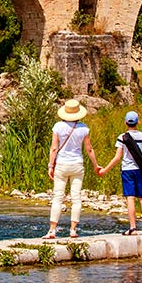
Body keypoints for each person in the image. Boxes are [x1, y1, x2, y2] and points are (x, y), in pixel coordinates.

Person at [42, 99, 100, 239]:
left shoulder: (58, 127)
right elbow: (89, 149)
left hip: (61, 164)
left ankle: (52, 230)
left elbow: (54, 148)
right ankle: (73, 230)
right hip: (77, 164)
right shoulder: (83, 128)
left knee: (57, 197)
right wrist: (95, 165)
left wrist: (51, 165)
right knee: (76, 198)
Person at [98, 110, 142, 235]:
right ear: (138, 122)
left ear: (125, 122)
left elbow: (118, 157)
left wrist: (105, 170)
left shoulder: (122, 137)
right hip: (140, 170)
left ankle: (133, 228)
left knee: (130, 198)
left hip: (128, 170)